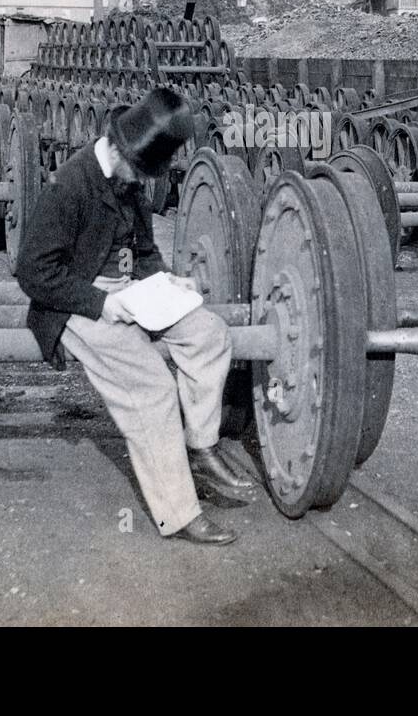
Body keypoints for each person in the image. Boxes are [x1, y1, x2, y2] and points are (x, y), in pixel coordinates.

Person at [16, 86, 255, 545]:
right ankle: (180, 513)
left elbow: (144, 252)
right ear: (122, 153)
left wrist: (168, 281)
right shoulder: (68, 185)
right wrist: (103, 302)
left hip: (132, 295)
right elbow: (32, 272)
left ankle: (201, 448)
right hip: (76, 304)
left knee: (209, 334)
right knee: (153, 388)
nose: (145, 184)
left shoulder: (129, 183)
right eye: (143, 173)